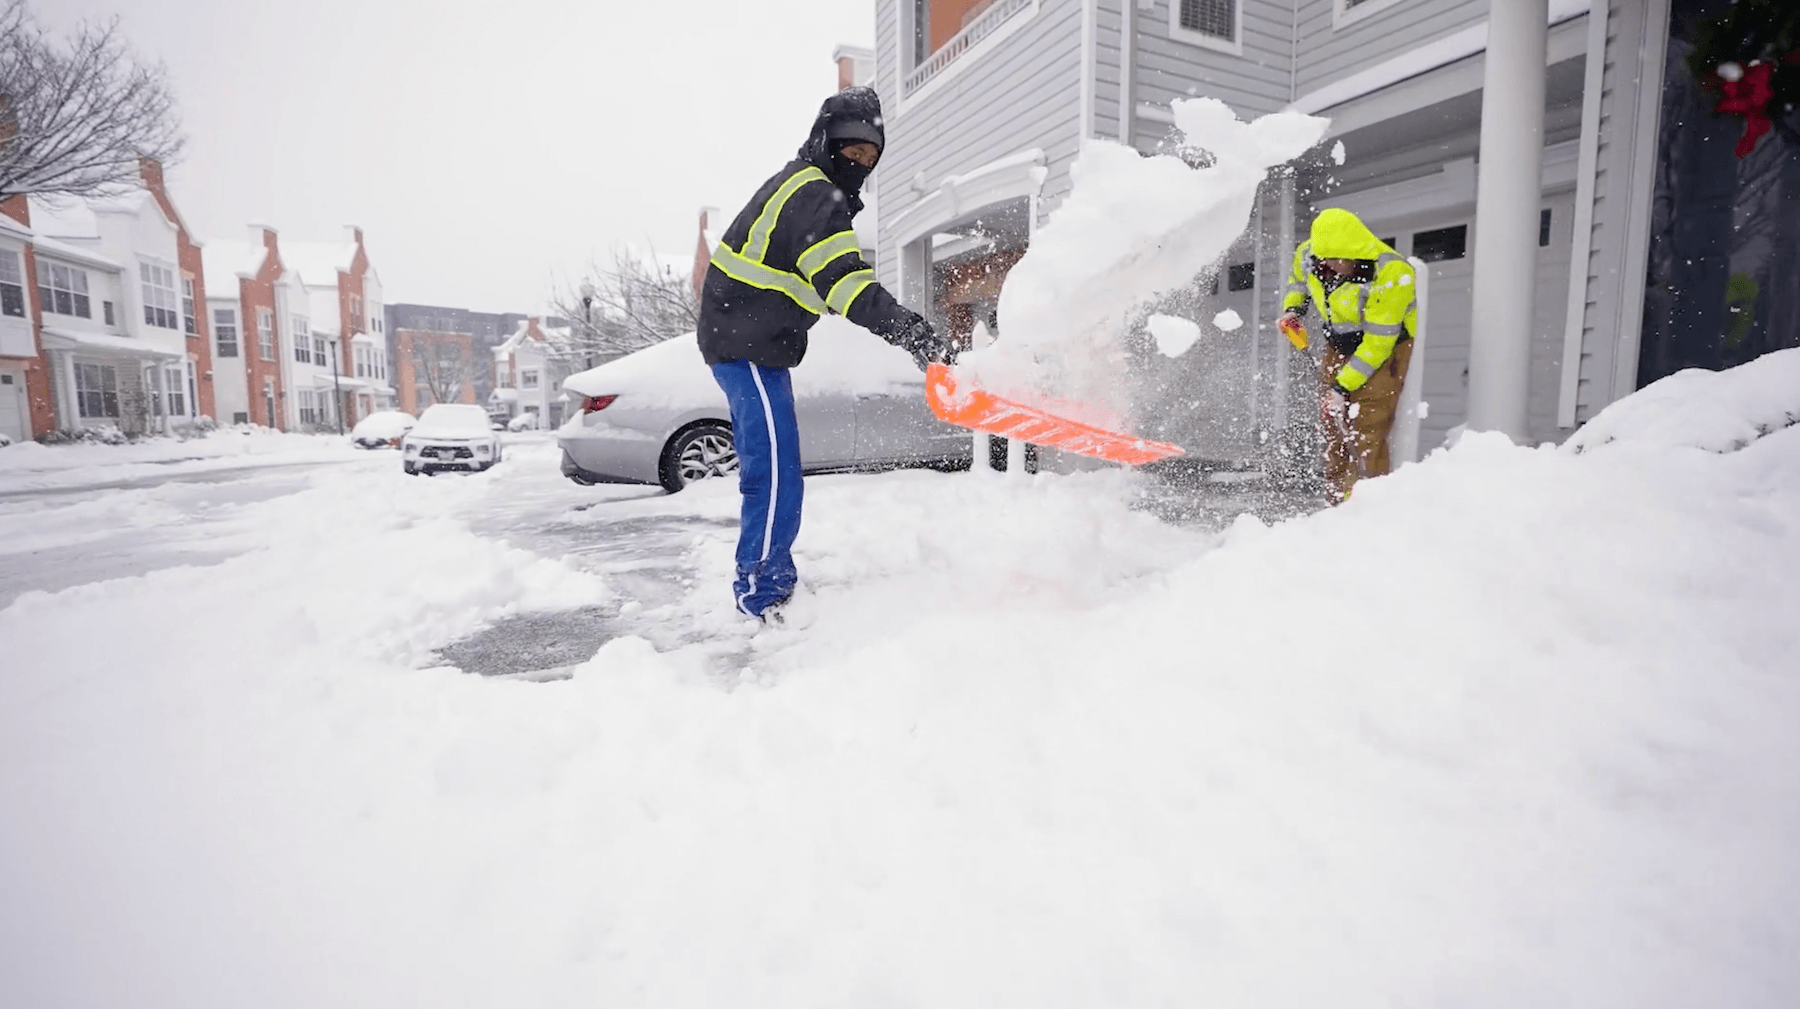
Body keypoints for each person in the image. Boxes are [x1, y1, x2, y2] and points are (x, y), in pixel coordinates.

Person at [698, 86, 955, 622]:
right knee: (771, 468)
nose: (859, 161)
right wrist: (913, 333)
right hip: (744, 342)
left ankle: (771, 574)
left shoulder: (809, 188)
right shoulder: (813, 194)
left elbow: (829, 282)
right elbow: (845, 284)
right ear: (824, 140)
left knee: (778, 463)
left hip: (755, 343)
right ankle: (761, 590)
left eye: (870, 155)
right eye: (851, 149)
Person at [1278, 208, 1418, 500]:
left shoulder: (1393, 272)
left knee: (1367, 429)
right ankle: (1338, 501)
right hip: (1338, 342)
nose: (1336, 265)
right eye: (1329, 260)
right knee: (1332, 425)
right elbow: (1297, 280)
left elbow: (1378, 343)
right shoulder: (1310, 254)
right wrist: (1294, 308)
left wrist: (1343, 386)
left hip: (1386, 347)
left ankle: (1372, 503)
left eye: (1342, 260)